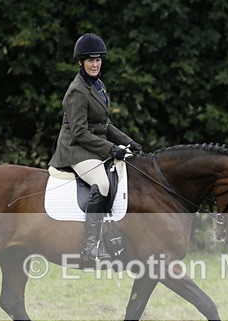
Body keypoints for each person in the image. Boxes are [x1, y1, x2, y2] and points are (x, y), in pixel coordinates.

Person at [49, 33, 142, 261]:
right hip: (76, 149)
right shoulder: (77, 91)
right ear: (80, 62)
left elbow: (105, 125)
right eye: (90, 60)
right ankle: (90, 246)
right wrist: (112, 150)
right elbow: (80, 132)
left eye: (98, 59)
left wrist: (129, 142)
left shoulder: (98, 85)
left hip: (93, 146)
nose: (95, 64)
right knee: (101, 183)